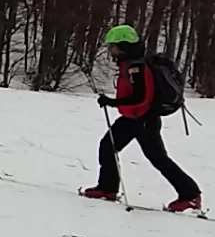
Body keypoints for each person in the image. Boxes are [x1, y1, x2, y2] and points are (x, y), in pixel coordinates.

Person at [82, 25, 203, 212]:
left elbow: (140, 97)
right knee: (107, 146)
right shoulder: (130, 64)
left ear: (124, 46)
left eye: (113, 46)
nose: (110, 50)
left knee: (158, 158)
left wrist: (113, 102)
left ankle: (190, 195)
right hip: (133, 118)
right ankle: (107, 188)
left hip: (144, 119)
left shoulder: (136, 67)